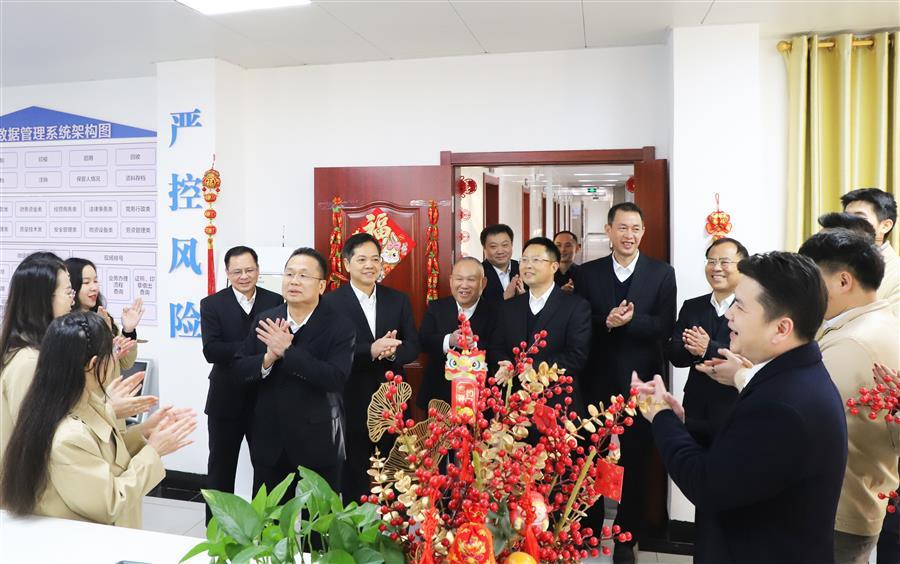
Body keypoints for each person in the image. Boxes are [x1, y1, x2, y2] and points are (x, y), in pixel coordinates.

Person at [636, 252, 847, 563]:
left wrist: (661, 416)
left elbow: (707, 484)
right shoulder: (794, 375)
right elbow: (742, 454)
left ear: (781, 328)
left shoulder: (783, 406)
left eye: (741, 306)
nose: (729, 316)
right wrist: (681, 423)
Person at [0, 311, 196, 528]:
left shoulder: (70, 402)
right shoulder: (68, 436)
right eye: (112, 351)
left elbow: (104, 453)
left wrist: (144, 432)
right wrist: (154, 451)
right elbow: (110, 503)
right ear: (93, 364)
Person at [575, 202, 676, 561]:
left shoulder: (662, 273)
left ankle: (625, 537)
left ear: (643, 232)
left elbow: (665, 325)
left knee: (634, 460)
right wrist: (606, 321)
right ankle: (588, 530)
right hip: (597, 381)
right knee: (592, 457)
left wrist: (630, 322)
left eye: (635, 228)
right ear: (609, 230)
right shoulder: (587, 274)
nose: (628, 235)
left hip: (641, 382)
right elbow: (581, 321)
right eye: (622, 228)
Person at [798, 230, 899, 564]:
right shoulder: (882, 323)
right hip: (861, 499)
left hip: (838, 506)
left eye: (813, 280)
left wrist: (742, 376)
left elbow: (801, 413)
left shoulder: (852, 342)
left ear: (843, 281)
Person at [236, 248, 355, 494]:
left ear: (321, 286)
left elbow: (335, 378)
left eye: (303, 275)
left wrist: (288, 352)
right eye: (289, 274)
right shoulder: (265, 320)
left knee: (320, 515)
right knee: (271, 515)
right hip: (271, 439)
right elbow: (240, 368)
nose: (294, 281)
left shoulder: (340, 326)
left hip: (319, 439)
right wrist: (267, 359)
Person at [321, 233, 419, 502]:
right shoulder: (330, 303)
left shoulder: (398, 299)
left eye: (375, 259)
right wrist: (371, 350)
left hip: (392, 400)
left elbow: (413, 345)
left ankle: (395, 524)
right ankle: (356, 524)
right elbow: (327, 352)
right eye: (362, 259)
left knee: (396, 469)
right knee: (355, 473)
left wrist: (392, 352)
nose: (369, 265)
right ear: (346, 264)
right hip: (351, 398)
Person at [199, 246, 283, 521]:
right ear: (227, 272)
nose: (244, 276)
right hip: (225, 399)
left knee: (268, 469)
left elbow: (281, 344)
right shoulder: (212, 304)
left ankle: (267, 530)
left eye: (249, 270)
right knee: (220, 470)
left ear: (258, 270)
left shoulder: (275, 301)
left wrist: (240, 351)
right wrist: (255, 350)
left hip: (266, 398)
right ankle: (217, 530)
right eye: (237, 271)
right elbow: (211, 350)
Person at [490, 237, 591, 412]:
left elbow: (576, 356)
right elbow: (496, 346)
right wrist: (505, 364)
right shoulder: (509, 307)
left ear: (554, 266)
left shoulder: (575, 307)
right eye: (524, 260)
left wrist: (535, 367)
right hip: (514, 405)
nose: (527, 265)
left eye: (536, 260)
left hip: (556, 403)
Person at [668, 237, 747, 448]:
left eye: (724, 262)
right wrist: (695, 349)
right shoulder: (692, 307)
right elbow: (675, 354)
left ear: (742, 267)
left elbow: (749, 355)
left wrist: (707, 349)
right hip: (695, 407)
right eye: (711, 261)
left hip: (734, 406)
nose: (716, 268)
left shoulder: (750, 308)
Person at [0, 255, 74, 463]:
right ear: (44, 299)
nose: (73, 300)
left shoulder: (36, 352)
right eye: (68, 292)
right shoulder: (28, 361)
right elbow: (35, 436)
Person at [64, 257, 155, 420]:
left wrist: (128, 330)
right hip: (89, 413)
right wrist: (102, 339)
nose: (94, 287)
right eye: (86, 282)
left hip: (114, 411)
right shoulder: (66, 326)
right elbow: (84, 371)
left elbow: (126, 363)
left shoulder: (103, 318)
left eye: (95, 281)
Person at [417, 257, 496, 409]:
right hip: (439, 397)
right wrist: (450, 341)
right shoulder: (436, 308)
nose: (464, 285)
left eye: (471, 280)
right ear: (451, 281)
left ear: (483, 283)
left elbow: (498, 348)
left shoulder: (495, 312)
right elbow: (423, 341)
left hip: (480, 399)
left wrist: (474, 344)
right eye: (459, 279)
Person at [841, 188, 898, 317]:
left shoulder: (896, 274)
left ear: (885, 226)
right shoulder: (834, 264)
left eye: (860, 218)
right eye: (846, 217)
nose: (849, 224)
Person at [481, 224, 525, 303]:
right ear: (484, 248)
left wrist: (524, 296)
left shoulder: (523, 269)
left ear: (511, 245)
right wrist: (505, 298)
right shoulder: (478, 273)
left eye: (505, 245)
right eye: (493, 246)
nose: (500, 251)